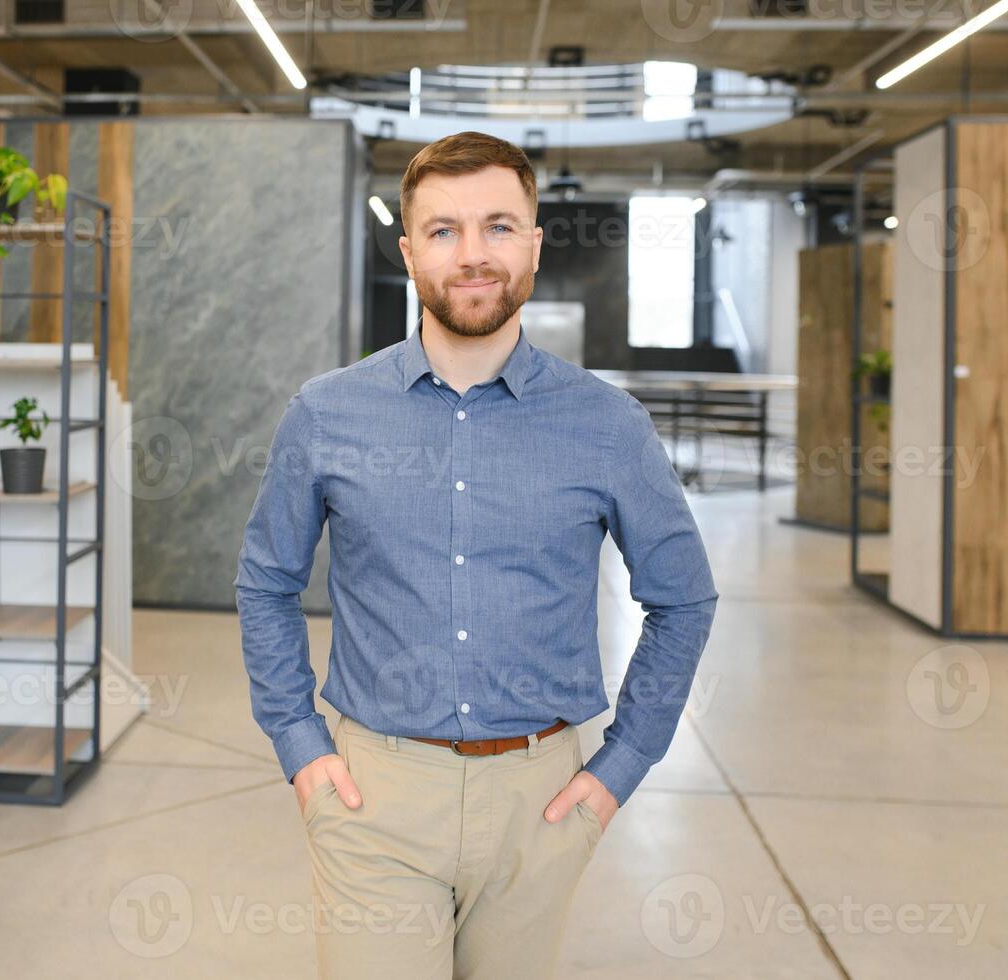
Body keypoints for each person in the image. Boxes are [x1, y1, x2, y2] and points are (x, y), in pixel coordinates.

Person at [234, 130, 720, 979]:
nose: (472, 255)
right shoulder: (326, 414)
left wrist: (620, 767)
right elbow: (265, 581)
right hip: (371, 793)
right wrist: (299, 745)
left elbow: (682, 598)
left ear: (533, 242)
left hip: (541, 802)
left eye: (498, 226)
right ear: (409, 248)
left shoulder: (606, 425)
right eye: (444, 230)